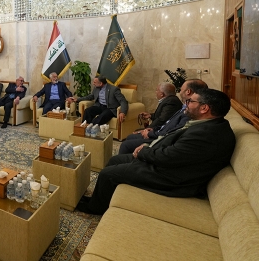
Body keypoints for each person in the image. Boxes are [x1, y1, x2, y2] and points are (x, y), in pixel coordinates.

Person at [76, 89, 235, 215]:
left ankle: (95, 209)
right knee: (114, 161)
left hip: (169, 177)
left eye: (190, 101)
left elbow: (169, 157)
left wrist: (144, 152)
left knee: (108, 174)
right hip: (165, 163)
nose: (186, 104)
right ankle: (99, 201)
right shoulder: (210, 125)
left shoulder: (207, 135)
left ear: (204, 108)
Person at [118, 79, 208, 154]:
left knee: (126, 144)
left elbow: (166, 124)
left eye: (181, 89)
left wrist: (149, 132)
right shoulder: (181, 105)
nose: (179, 92)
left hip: (161, 138)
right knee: (131, 138)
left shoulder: (187, 110)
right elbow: (167, 121)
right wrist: (151, 123)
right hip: (160, 132)